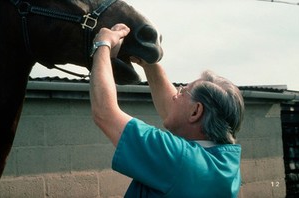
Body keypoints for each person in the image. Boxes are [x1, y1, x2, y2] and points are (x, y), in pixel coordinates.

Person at [89, 23, 245, 198]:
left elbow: (105, 113)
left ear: (196, 112)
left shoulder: (178, 158)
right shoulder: (225, 163)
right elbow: (173, 109)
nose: (175, 95)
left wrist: (102, 44)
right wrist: (148, 61)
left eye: (182, 92)